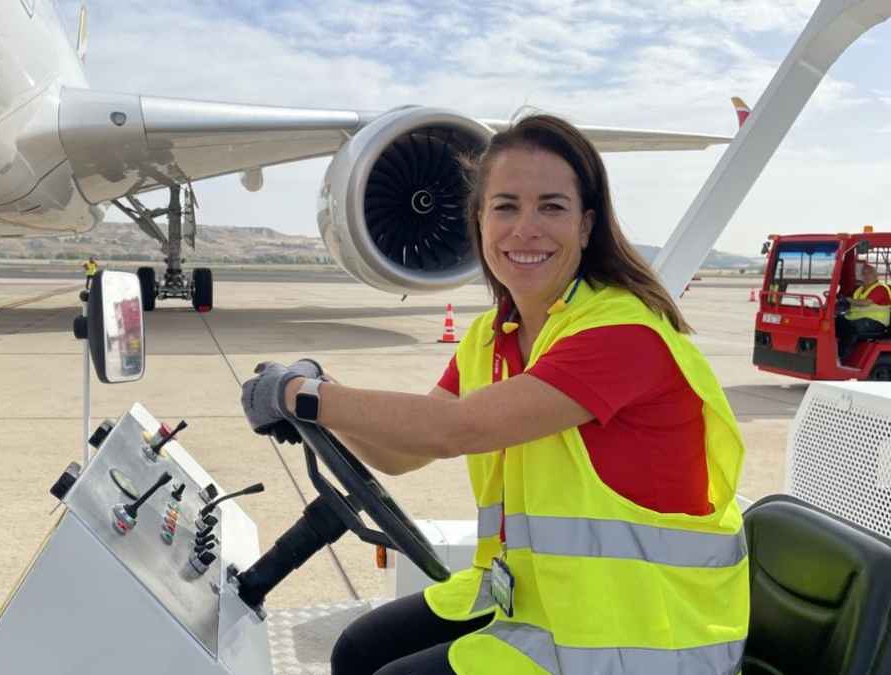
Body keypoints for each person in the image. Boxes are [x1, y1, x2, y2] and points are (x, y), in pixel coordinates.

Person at [241, 114, 749, 675]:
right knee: (358, 650)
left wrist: (300, 394)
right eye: (505, 206)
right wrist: (325, 396)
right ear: (479, 222)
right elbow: (403, 453)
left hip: (639, 631)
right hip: (539, 601)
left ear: (585, 226)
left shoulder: (621, 334)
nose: (525, 229)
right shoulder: (493, 336)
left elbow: (458, 429)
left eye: (551, 207)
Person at [837, 262, 890, 358]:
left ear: (876, 275)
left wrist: (847, 299)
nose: (867, 275)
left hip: (876, 323)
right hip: (860, 319)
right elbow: (854, 305)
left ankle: (842, 356)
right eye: (864, 273)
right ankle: (833, 352)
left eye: (870, 273)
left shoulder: (880, 288)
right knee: (836, 322)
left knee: (850, 329)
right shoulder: (860, 289)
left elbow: (865, 303)